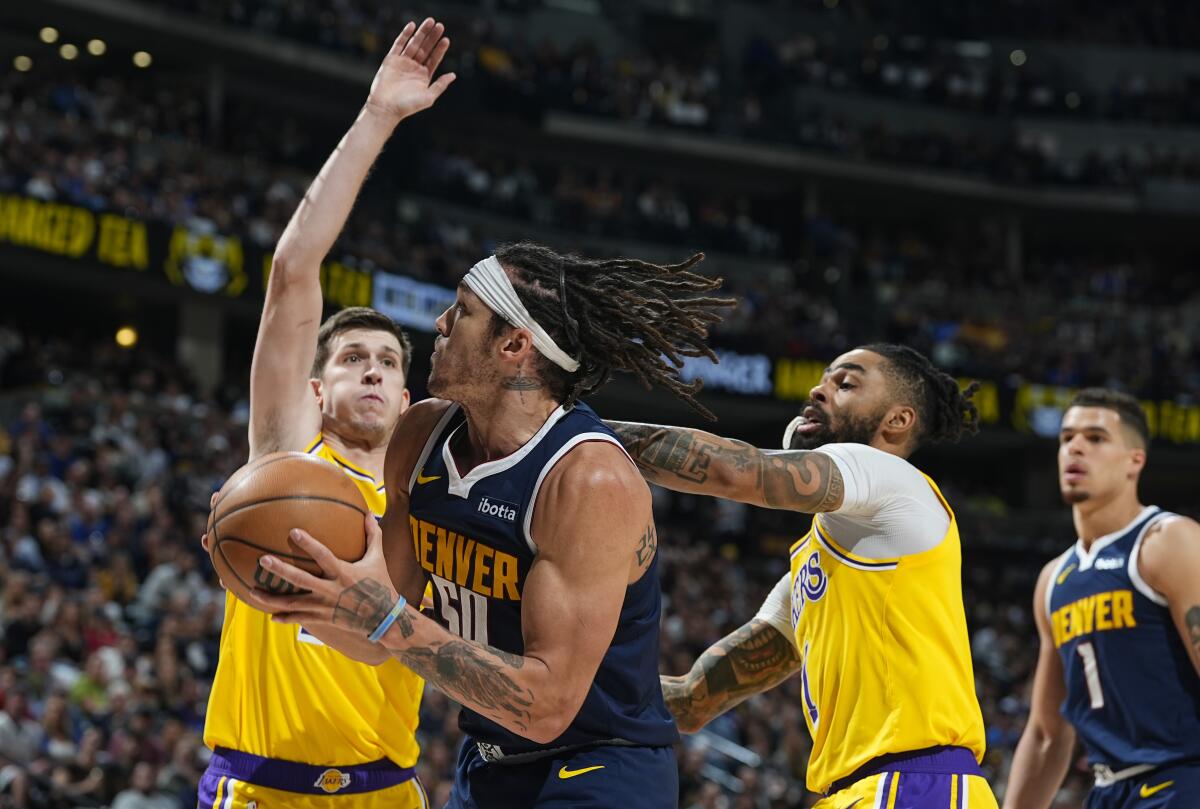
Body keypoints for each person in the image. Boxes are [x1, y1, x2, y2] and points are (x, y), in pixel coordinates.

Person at [250, 240, 733, 808]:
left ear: (513, 344)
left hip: (602, 763)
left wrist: (387, 620)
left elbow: (547, 705)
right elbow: (376, 634)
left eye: (462, 310)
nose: (440, 322)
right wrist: (276, 581)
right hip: (489, 757)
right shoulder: (420, 435)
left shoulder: (588, 481)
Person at [197, 18, 455, 808]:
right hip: (259, 788)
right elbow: (292, 268)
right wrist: (377, 117)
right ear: (315, 391)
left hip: (389, 793)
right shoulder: (287, 458)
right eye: (351, 359)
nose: (372, 370)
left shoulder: (436, 507)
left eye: (386, 362)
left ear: (407, 399)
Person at [607, 344, 1000, 808]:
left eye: (846, 383)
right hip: (857, 791)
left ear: (897, 421)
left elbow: (741, 471)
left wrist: (581, 437)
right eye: (825, 378)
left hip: (914, 784)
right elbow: (694, 700)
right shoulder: (817, 566)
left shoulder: (893, 479)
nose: (819, 389)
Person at [1003, 389, 1200, 809]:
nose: (1075, 446)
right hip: (1108, 791)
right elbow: (1046, 733)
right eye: (1067, 437)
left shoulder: (1167, 541)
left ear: (1135, 461)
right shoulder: (1054, 579)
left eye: (1095, 438)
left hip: (1180, 779)